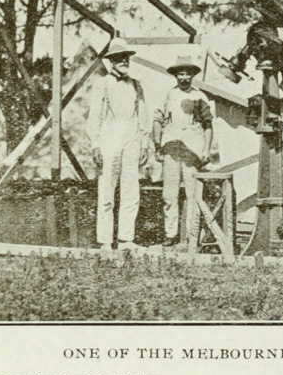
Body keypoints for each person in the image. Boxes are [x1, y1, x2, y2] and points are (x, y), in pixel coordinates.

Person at [85, 38, 148, 251]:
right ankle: (104, 241)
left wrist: (144, 144)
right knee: (106, 191)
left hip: (131, 139)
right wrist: (95, 144)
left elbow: (142, 116)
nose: (123, 62)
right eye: (119, 58)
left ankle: (125, 239)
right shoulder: (102, 84)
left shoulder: (136, 85)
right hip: (109, 138)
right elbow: (94, 117)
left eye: (126, 58)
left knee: (131, 190)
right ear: (111, 61)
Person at [153, 56, 213, 251]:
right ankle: (170, 234)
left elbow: (208, 125)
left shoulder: (199, 96)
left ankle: (192, 235)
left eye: (188, 73)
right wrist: (157, 144)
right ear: (176, 75)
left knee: (193, 193)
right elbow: (157, 120)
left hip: (192, 149)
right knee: (169, 194)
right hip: (171, 148)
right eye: (181, 73)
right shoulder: (167, 94)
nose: (184, 77)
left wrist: (205, 149)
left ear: (193, 75)